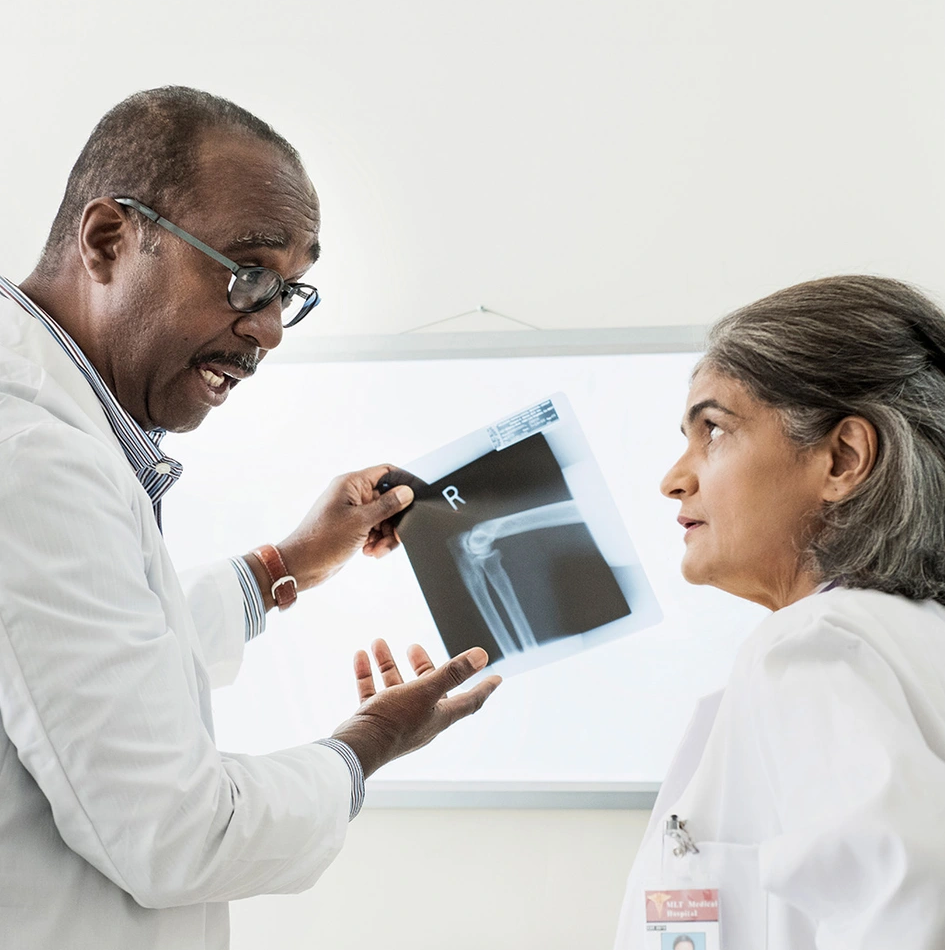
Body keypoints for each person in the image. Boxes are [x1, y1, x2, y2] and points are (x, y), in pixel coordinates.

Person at [0, 86, 500, 950]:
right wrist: (366, 745)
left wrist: (286, 564)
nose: (268, 330)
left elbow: (77, 653)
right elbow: (176, 837)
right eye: (248, 273)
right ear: (109, 239)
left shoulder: (48, 430)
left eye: (289, 294)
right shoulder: (32, 456)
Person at [614, 275, 945, 949]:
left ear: (842, 459)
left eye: (712, 429)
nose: (674, 477)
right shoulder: (901, 636)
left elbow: (907, 910)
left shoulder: (819, 642)